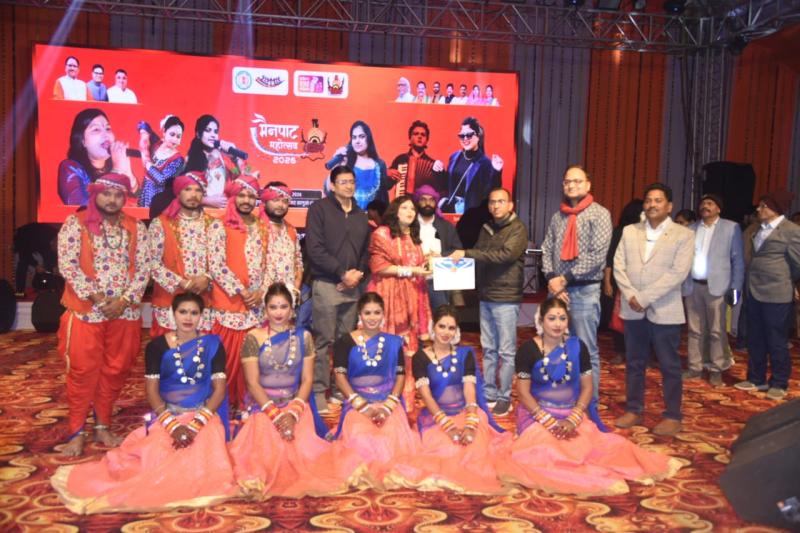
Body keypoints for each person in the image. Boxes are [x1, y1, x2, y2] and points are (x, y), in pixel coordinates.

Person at [51, 292, 238, 514]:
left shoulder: (213, 344)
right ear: (173, 314)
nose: (188, 318)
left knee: (205, 455)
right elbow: (152, 391)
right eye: (183, 312)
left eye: (194, 313)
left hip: (203, 416)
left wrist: (197, 423)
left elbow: (219, 390)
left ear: (202, 316)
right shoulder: (157, 347)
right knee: (159, 456)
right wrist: (172, 425)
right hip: (169, 416)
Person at [497, 297, 681, 495]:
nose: (558, 324)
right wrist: (546, 420)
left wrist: (574, 417)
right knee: (545, 451)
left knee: (600, 448)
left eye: (562, 318)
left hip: (571, 414)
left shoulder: (577, 347)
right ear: (541, 321)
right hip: (536, 415)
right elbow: (523, 392)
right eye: (551, 318)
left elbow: (587, 387)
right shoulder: (528, 350)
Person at [56, 173, 150, 456]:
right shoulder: (76, 223)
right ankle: (76, 431)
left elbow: (143, 268)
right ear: (95, 194)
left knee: (116, 369)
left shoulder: (135, 227)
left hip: (125, 311)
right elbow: (68, 265)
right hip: (86, 311)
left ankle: (102, 425)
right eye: (107, 194)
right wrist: (98, 298)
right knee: (82, 371)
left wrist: (124, 301)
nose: (112, 200)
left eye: (118, 195)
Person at [230, 283, 346, 498]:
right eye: (273, 307)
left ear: (292, 309)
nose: (278, 313)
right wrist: (275, 414)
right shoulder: (253, 337)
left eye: (283, 307)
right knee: (266, 457)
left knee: (309, 461)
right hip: (263, 408)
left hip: (295, 406)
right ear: (265, 310)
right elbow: (252, 383)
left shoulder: (304, 337)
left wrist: (292, 413)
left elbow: (307, 379)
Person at [385, 305, 510, 494]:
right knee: (447, 449)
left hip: (466, 412)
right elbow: (426, 395)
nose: (446, 332)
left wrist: (471, 421)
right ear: (433, 327)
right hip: (436, 417)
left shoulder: (464, 354)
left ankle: (471, 476)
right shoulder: (420, 357)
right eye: (441, 326)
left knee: (473, 445)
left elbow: (469, 388)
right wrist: (447, 425)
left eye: (451, 328)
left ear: (456, 330)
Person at [613, 183, 694, 436]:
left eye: (658, 200)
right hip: (633, 308)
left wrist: (645, 297)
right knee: (634, 362)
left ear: (669, 206)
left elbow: (678, 273)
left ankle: (672, 415)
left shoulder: (683, 235)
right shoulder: (630, 231)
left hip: (665, 309)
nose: (652, 205)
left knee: (669, 365)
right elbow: (618, 265)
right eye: (648, 200)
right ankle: (634, 409)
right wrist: (631, 295)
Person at [449, 188, 528, 416]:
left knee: (506, 351)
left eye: (501, 201)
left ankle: (504, 396)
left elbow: (504, 256)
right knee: (489, 348)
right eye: (492, 202)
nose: (496, 206)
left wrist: (467, 253)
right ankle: (490, 392)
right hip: (486, 295)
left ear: (510, 205)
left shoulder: (518, 228)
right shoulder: (486, 227)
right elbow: (481, 254)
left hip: (506, 297)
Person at [330, 292, 420, 487]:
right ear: (359, 315)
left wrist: (388, 406)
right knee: (361, 436)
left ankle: (386, 472)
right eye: (367, 313)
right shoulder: (344, 342)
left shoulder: (394, 343)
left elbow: (400, 376)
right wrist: (362, 406)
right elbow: (340, 378)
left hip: (388, 402)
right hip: (357, 404)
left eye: (377, 312)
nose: (372, 318)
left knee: (391, 435)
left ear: (383, 315)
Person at [542, 165, 612, 401]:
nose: (571, 185)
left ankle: (589, 403)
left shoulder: (600, 214)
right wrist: (552, 278)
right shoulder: (558, 216)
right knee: (556, 347)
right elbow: (547, 248)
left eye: (577, 181)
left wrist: (564, 279)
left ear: (588, 185)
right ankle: (562, 397)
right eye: (567, 182)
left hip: (584, 290)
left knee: (585, 350)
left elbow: (597, 255)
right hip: (557, 291)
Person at [305, 166, 371, 413]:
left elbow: (365, 251)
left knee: (346, 342)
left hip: (353, 287)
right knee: (324, 340)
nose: (349, 186)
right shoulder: (319, 209)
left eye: (352, 182)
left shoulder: (361, 215)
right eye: (343, 182)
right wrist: (341, 273)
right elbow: (315, 249)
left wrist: (357, 274)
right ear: (332, 186)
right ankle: (319, 391)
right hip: (327, 284)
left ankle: (339, 388)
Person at [207, 175, 270, 409]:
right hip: (230, 301)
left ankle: (247, 405)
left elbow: (269, 262)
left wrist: (262, 291)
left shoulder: (262, 226)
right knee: (227, 360)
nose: (246, 200)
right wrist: (243, 292)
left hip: (256, 304)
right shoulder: (219, 225)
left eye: (251, 196)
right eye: (241, 195)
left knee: (253, 359)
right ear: (232, 197)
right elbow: (216, 264)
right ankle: (221, 406)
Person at [367, 195, 433, 408]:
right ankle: (380, 397)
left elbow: (418, 266)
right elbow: (379, 267)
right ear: (395, 211)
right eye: (405, 207)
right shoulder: (382, 234)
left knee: (407, 347)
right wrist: (412, 270)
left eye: (412, 209)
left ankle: (405, 399)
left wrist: (429, 264)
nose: (410, 212)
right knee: (384, 344)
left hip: (411, 297)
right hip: (387, 295)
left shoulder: (413, 237)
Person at [734, 189, 800, 400]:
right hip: (754, 291)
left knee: (776, 340)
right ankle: (756, 378)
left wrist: (788, 281)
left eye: (763, 206)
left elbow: (797, 263)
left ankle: (779, 382)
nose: (758, 209)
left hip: (777, 294)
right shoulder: (758, 229)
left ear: (775, 209)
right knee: (755, 338)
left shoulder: (791, 231)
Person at [681, 193, 744, 387]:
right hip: (693, 286)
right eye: (703, 203)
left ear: (718, 208)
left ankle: (717, 369)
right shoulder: (691, 229)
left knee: (717, 330)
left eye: (710, 203)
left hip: (717, 287)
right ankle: (695, 367)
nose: (705, 206)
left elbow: (738, 261)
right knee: (694, 330)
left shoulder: (731, 228)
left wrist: (735, 287)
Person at [148, 171, 213, 338]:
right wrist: (182, 282)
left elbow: (221, 261)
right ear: (178, 192)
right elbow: (152, 262)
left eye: (198, 190)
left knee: (201, 349)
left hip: (203, 298)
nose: (193, 195)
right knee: (170, 348)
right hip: (169, 298)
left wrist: (207, 277)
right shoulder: (160, 223)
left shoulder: (214, 224)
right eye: (187, 189)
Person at [58, 109, 138, 206]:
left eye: (108, 129)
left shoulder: (115, 165)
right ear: (83, 141)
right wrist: (117, 171)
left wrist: (128, 173)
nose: (106, 135)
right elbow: (80, 204)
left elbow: (138, 205)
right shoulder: (70, 167)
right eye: (96, 129)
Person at [602, 199, 643, 362]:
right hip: (620, 281)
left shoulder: (647, 233)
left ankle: (638, 352)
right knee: (618, 318)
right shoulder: (620, 232)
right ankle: (620, 351)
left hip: (640, 282)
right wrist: (607, 282)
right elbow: (610, 259)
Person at [414, 185, 462, 310]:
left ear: (436, 202)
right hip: (413, 281)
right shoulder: (410, 225)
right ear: (417, 201)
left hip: (439, 282)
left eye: (431, 200)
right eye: (423, 199)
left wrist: (441, 257)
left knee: (441, 317)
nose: (427, 203)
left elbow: (458, 251)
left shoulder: (446, 226)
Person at [441, 117, 503, 215]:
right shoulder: (454, 157)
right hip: (451, 213)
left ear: (478, 136)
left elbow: (490, 194)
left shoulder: (485, 163)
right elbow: (446, 185)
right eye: (462, 135)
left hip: (471, 215)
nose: (465, 138)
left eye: (469, 135)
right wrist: (439, 171)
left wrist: (496, 171)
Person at [185, 114, 244, 209]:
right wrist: (205, 200)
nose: (213, 135)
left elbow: (240, 175)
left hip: (221, 213)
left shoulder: (223, 157)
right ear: (198, 134)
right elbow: (180, 193)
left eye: (215, 132)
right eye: (208, 130)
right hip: (198, 212)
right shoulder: (190, 159)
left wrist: (235, 158)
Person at [329, 121, 391, 210]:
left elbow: (384, 198)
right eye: (354, 137)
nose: (357, 141)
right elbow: (332, 193)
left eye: (361, 136)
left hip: (373, 217)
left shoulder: (380, 165)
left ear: (368, 138)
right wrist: (338, 167)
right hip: (348, 216)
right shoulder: (346, 164)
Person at [261, 182, 303, 292]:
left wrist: (296, 287)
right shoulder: (254, 228)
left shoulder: (291, 230)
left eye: (285, 201)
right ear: (264, 201)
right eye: (275, 200)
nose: (281, 205)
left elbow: (298, 261)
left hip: (287, 294)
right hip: (260, 295)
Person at [387, 120, 447, 197]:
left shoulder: (433, 165)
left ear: (427, 140)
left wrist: (442, 173)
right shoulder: (400, 159)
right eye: (416, 134)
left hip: (423, 204)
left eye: (423, 135)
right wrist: (387, 173)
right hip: (404, 202)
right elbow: (388, 185)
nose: (419, 137)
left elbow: (442, 190)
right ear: (410, 137)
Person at [138, 115, 185, 208]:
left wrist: (148, 163)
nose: (175, 139)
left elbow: (162, 180)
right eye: (172, 134)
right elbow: (143, 124)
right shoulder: (157, 143)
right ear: (164, 132)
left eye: (178, 136)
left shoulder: (178, 160)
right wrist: (144, 137)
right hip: (144, 194)